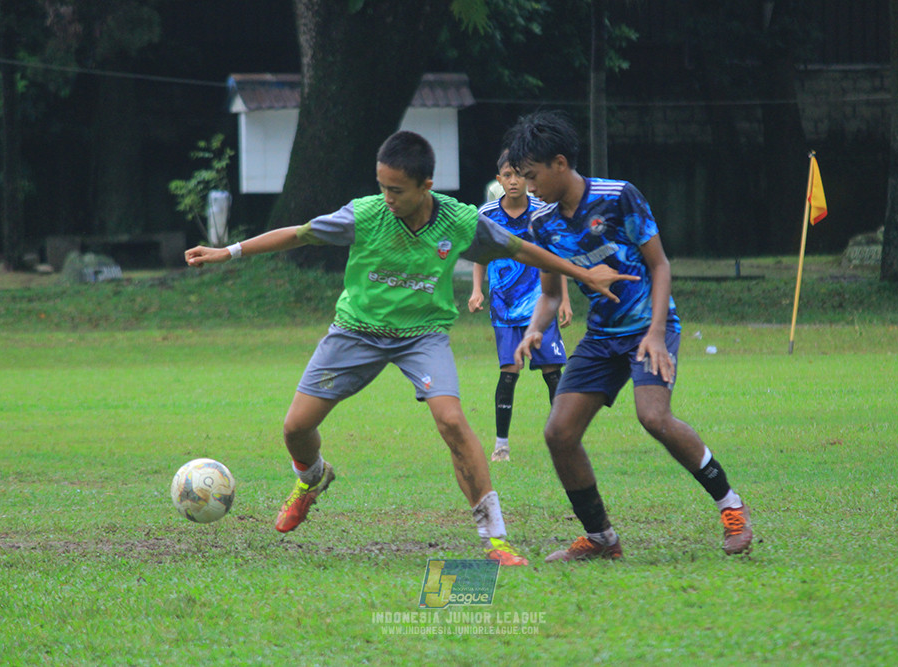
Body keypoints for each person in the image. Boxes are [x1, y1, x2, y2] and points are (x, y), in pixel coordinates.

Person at [184, 130, 633, 566]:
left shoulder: (459, 221)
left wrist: (583, 273)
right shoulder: (364, 215)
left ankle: (495, 537)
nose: (388, 198)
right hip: (356, 331)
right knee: (295, 429)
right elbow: (300, 234)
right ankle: (313, 479)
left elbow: (522, 250)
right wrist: (230, 252)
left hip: (423, 335)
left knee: (452, 421)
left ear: (426, 186)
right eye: (382, 187)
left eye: (397, 190)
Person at [504, 111, 754, 561]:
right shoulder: (542, 224)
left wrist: (657, 333)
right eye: (522, 177)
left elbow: (660, 266)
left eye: (532, 175)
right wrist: (532, 332)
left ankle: (731, 506)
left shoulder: (619, 197)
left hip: (647, 328)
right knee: (559, 433)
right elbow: (549, 293)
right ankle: (601, 538)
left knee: (654, 417)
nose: (529, 186)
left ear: (560, 163)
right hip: (601, 337)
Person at [469, 150, 573, 462]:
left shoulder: (542, 211)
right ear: (499, 180)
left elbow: (556, 257)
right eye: (508, 176)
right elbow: (479, 255)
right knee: (509, 372)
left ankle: (563, 441)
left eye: (520, 175)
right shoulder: (486, 214)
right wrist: (477, 289)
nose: (514, 181)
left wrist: (564, 299)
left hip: (541, 304)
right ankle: (501, 444)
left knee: (553, 373)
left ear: (527, 179)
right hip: (503, 307)